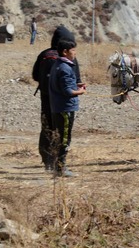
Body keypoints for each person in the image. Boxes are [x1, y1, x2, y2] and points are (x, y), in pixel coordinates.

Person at [31, 25, 82, 172]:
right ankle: (59, 164)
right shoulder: (68, 59)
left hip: (46, 97)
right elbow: (76, 79)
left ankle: (47, 161)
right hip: (64, 101)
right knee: (63, 130)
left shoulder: (44, 54)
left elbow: (35, 76)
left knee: (47, 126)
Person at [49, 39, 86, 177]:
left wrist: (76, 85)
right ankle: (60, 168)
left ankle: (58, 167)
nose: (75, 53)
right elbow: (67, 92)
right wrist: (80, 91)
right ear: (65, 52)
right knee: (65, 138)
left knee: (61, 137)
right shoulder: (65, 68)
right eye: (73, 50)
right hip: (65, 108)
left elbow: (65, 86)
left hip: (58, 107)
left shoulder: (58, 65)